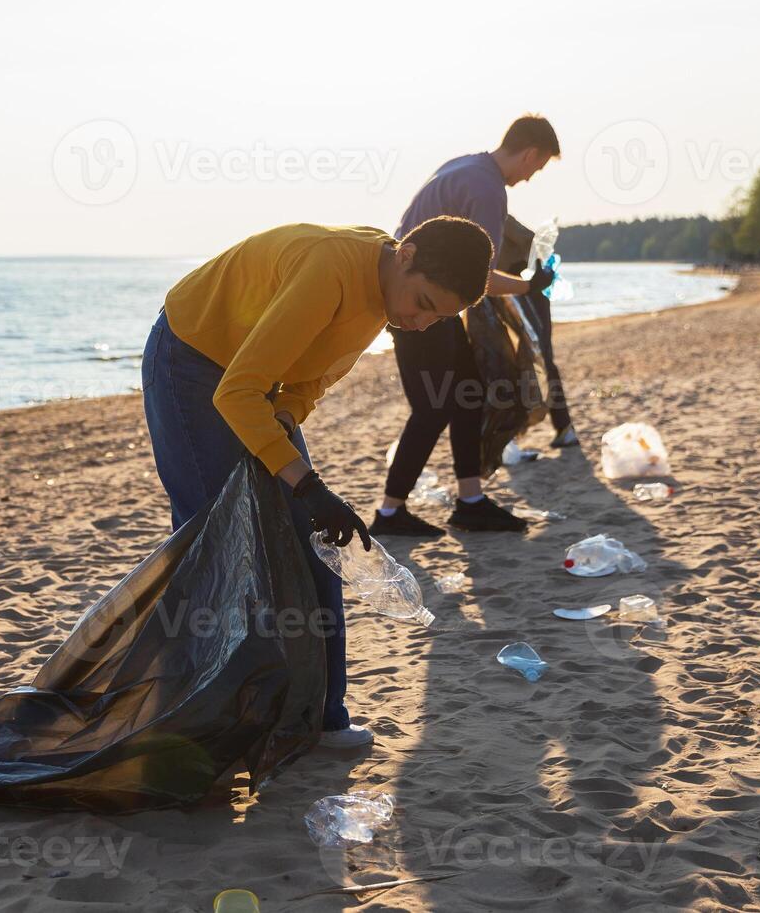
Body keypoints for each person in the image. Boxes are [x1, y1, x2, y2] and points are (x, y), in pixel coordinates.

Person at [142, 218, 494, 749]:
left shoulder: (386, 300)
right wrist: (306, 484)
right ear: (406, 255)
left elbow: (308, 384)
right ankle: (187, 717)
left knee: (321, 539)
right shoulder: (331, 269)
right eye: (422, 303)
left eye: (437, 318)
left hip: (250, 380)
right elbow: (236, 392)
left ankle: (324, 716)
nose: (420, 324)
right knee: (211, 540)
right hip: (190, 358)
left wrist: (296, 461)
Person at [372, 116, 560, 539]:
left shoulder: (464, 167)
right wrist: (530, 285)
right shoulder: (487, 189)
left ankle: (470, 501)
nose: (530, 178)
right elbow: (482, 280)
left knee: (466, 393)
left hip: (417, 297)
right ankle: (389, 512)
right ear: (530, 153)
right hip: (419, 305)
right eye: (538, 167)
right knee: (433, 406)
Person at [501, 215, 577, 446]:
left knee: (542, 356)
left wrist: (529, 278)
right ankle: (510, 436)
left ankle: (563, 427)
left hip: (527, 287)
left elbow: (535, 243)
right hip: (505, 289)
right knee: (511, 358)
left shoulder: (493, 211)